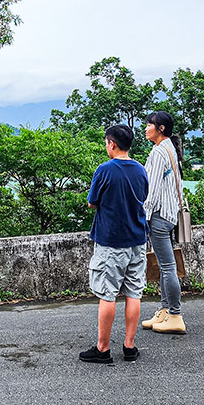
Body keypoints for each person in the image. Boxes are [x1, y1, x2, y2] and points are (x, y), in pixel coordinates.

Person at [80, 124, 149, 364]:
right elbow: (143, 197)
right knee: (134, 292)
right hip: (137, 239)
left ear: (112, 143)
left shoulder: (105, 170)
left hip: (111, 240)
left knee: (107, 294)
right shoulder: (140, 169)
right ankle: (129, 346)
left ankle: (103, 348)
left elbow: (92, 202)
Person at [140, 111, 186, 335]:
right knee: (166, 266)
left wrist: (144, 215)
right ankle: (165, 310)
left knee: (167, 267)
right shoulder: (170, 148)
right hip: (169, 214)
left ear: (161, 129)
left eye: (150, 125)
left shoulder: (159, 152)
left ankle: (175, 314)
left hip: (158, 216)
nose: (146, 128)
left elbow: (152, 189)